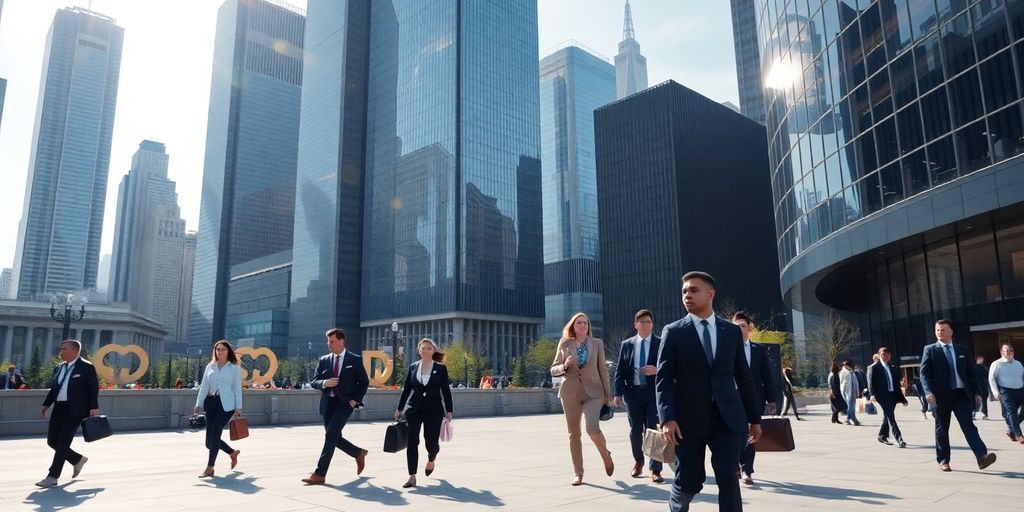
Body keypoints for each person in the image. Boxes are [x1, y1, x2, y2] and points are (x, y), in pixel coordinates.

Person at [656, 271, 761, 512]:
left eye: (693, 290)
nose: (687, 295)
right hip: (687, 421)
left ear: (710, 294)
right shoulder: (673, 332)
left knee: (727, 474)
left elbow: (744, 377)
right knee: (689, 481)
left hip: (728, 418)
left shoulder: (731, 331)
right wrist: (667, 418)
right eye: (684, 291)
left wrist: (755, 418)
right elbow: (663, 378)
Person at [919, 319, 997, 472]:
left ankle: (982, 457)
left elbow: (972, 374)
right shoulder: (930, 349)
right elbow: (924, 374)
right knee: (942, 429)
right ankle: (943, 460)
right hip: (941, 397)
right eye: (937, 330)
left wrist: (977, 393)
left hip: (962, 395)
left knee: (969, 426)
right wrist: (928, 391)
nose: (939, 332)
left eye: (943, 330)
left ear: (951, 331)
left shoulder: (962, 350)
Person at [550, 312, 615, 487]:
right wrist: (564, 365)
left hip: (594, 392)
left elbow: (602, 369)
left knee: (592, 429)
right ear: (573, 325)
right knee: (574, 435)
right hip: (569, 393)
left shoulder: (597, 343)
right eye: (579, 323)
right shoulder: (564, 344)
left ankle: (605, 454)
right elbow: (553, 369)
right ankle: (578, 473)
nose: (583, 325)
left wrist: (607, 395)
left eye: (585, 323)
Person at [302, 328, 370, 485]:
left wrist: (355, 401)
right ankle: (358, 453)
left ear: (341, 341)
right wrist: (325, 383)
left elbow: (364, 382)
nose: (329, 344)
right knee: (333, 437)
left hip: (345, 404)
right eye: (328, 341)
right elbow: (314, 381)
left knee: (331, 434)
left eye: (332, 341)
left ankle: (320, 473)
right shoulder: (324, 360)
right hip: (328, 403)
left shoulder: (354, 359)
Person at [36, 339, 100, 488]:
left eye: (64, 348)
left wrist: (94, 407)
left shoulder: (86, 367)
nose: (61, 351)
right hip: (59, 408)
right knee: (52, 441)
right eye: (61, 348)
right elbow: (54, 389)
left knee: (63, 442)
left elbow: (93, 388)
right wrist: (46, 404)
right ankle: (77, 459)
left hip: (75, 410)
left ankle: (52, 476)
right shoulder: (59, 367)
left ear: (75, 351)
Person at [394, 338, 454, 488]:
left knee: (431, 442)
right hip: (414, 409)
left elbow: (445, 390)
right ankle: (412, 476)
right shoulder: (413, 367)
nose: (425, 351)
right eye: (423, 348)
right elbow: (407, 388)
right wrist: (400, 408)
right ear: (418, 350)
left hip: (434, 410)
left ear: (434, 351)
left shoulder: (440, 368)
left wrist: (449, 410)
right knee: (412, 441)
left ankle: (432, 458)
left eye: (429, 348)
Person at [613, 309, 664, 482]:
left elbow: (671, 368)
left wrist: (656, 371)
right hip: (633, 393)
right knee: (635, 431)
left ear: (652, 325)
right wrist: (618, 394)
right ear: (636, 325)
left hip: (653, 394)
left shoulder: (661, 343)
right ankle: (638, 462)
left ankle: (655, 469)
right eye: (642, 322)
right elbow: (620, 370)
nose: (646, 324)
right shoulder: (626, 344)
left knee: (653, 431)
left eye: (649, 322)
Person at [732, 311, 776, 486]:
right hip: (732, 399)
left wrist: (771, 399)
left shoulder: (758, 350)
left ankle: (747, 469)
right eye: (735, 327)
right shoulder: (726, 349)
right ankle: (734, 464)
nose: (739, 329)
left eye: (742, 326)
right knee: (735, 433)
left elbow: (767, 376)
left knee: (751, 434)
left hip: (755, 399)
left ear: (749, 328)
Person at [193, 340, 244, 477]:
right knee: (209, 443)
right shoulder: (210, 366)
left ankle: (210, 468)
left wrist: (238, 407)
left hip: (226, 405)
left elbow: (237, 388)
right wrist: (199, 404)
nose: (219, 352)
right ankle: (232, 452)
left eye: (223, 349)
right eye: (218, 349)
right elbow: (204, 386)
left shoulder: (234, 367)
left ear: (228, 351)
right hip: (211, 403)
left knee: (215, 433)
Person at [867, 347, 908, 448]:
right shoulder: (874, 367)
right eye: (883, 354)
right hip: (882, 396)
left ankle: (882, 436)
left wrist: (903, 399)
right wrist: (872, 394)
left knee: (887, 417)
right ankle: (899, 439)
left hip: (892, 396)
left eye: (888, 355)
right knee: (891, 417)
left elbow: (896, 385)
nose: (886, 356)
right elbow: (870, 382)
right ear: (879, 355)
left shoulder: (892, 367)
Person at [988, 343, 1024, 444]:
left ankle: (1011, 431)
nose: (1009, 353)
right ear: (1002, 352)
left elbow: (1022, 377)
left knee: (1019, 413)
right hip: (1006, 392)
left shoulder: (1018, 364)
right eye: (1006, 351)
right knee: (1012, 413)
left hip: (1020, 390)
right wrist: (995, 393)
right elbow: (991, 379)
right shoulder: (997, 364)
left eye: (1011, 350)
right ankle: (1019, 435)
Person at [839, 361, 860, 426]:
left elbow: (855, 382)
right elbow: (842, 383)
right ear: (845, 365)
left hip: (853, 391)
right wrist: (844, 391)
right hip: (847, 391)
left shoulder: (851, 372)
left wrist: (857, 390)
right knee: (850, 406)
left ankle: (854, 420)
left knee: (852, 406)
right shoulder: (843, 372)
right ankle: (848, 419)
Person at [973, 355, 989, 420]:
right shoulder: (973, 367)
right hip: (977, 385)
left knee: (984, 400)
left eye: (982, 359)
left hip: (984, 385)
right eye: (979, 359)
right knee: (975, 400)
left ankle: (985, 414)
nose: (981, 360)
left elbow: (987, 376)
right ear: (976, 360)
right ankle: (973, 413)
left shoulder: (984, 367)